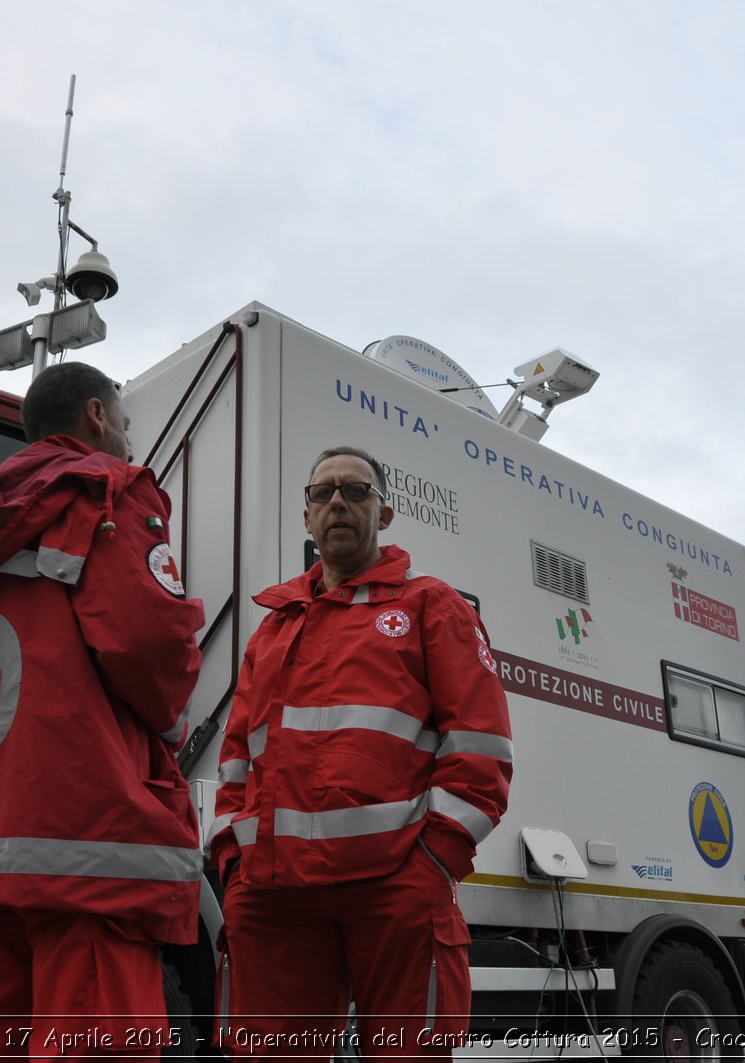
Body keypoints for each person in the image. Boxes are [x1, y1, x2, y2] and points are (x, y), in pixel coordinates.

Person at [0, 362, 205, 1059]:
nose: (126, 438)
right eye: (124, 421)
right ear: (95, 415)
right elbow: (151, 644)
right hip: (87, 842)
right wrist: (167, 730)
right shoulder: (106, 493)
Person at [210, 445, 513, 1061]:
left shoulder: (431, 606)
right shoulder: (274, 627)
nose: (339, 503)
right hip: (274, 893)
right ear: (306, 518)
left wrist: (435, 858)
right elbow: (237, 755)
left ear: (386, 512)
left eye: (356, 491)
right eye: (323, 493)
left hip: (395, 885)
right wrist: (231, 861)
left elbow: (480, 746)